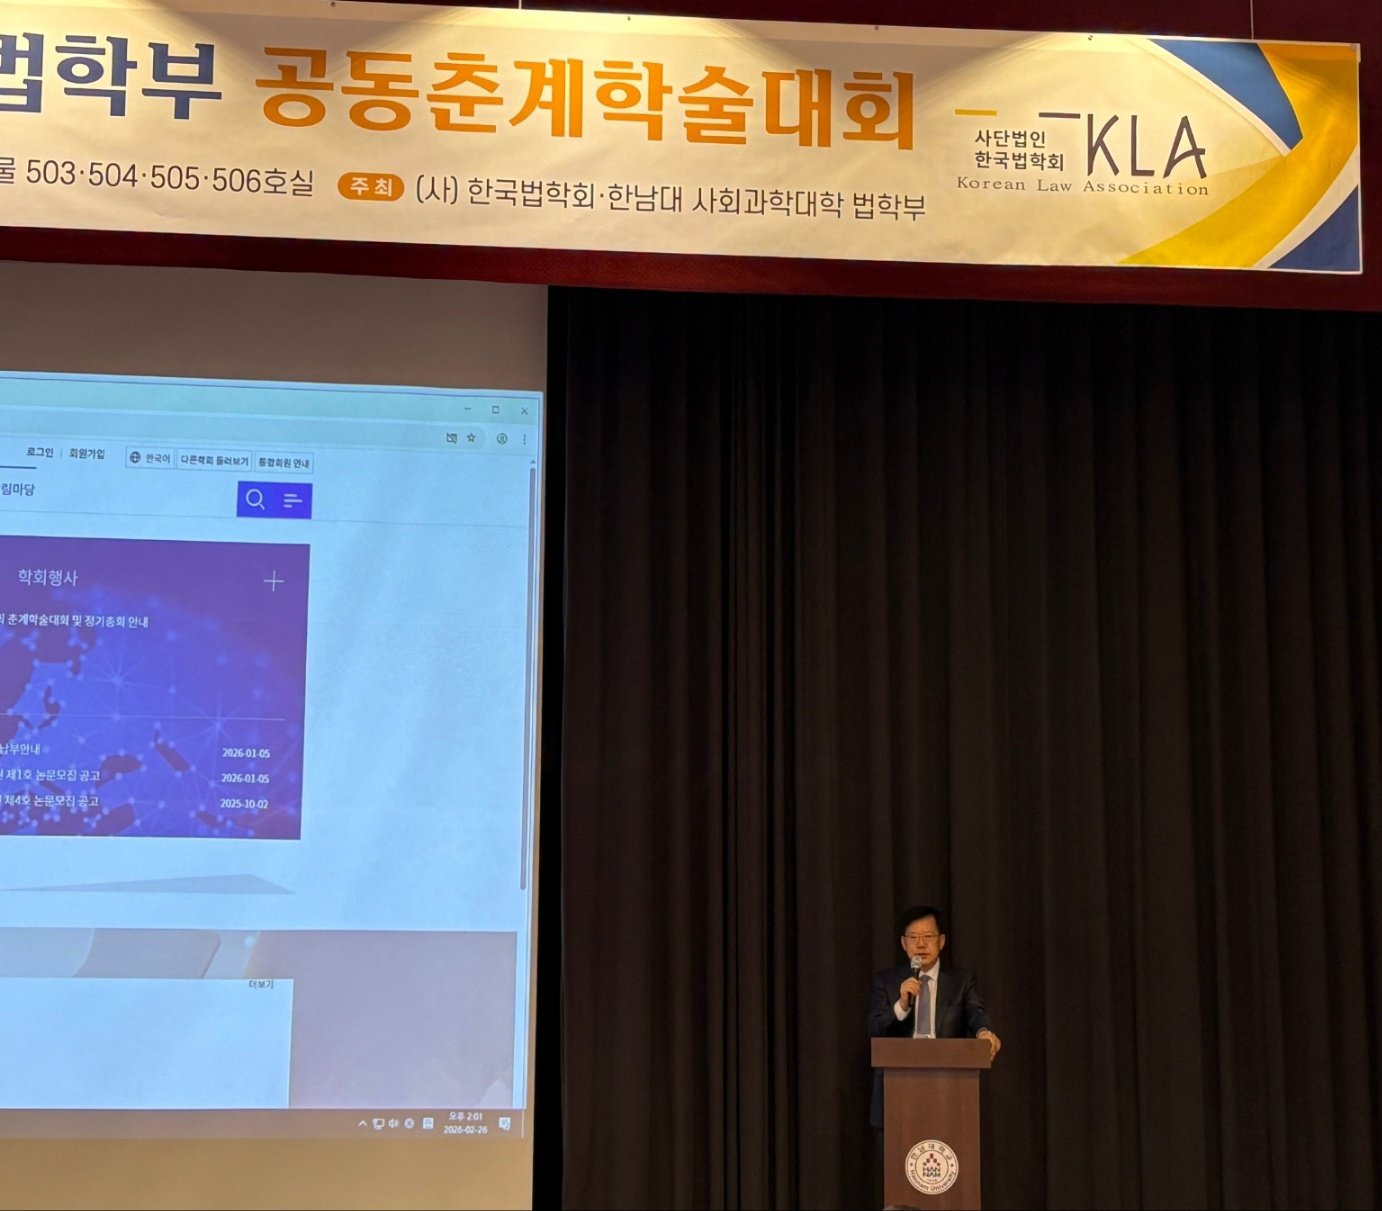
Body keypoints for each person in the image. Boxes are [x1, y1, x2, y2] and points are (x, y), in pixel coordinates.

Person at [868, 904, 1000, 1130]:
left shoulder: (961, 982)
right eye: (914, 937)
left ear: (941, 941)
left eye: (928, 936)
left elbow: (976, 1013)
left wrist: (984, 1032)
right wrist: (901, 1005)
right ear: (904, 943)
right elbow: (875, 1030)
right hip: (898, 1088)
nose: (921, 944)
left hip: (947, 1085)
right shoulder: (886, 982)